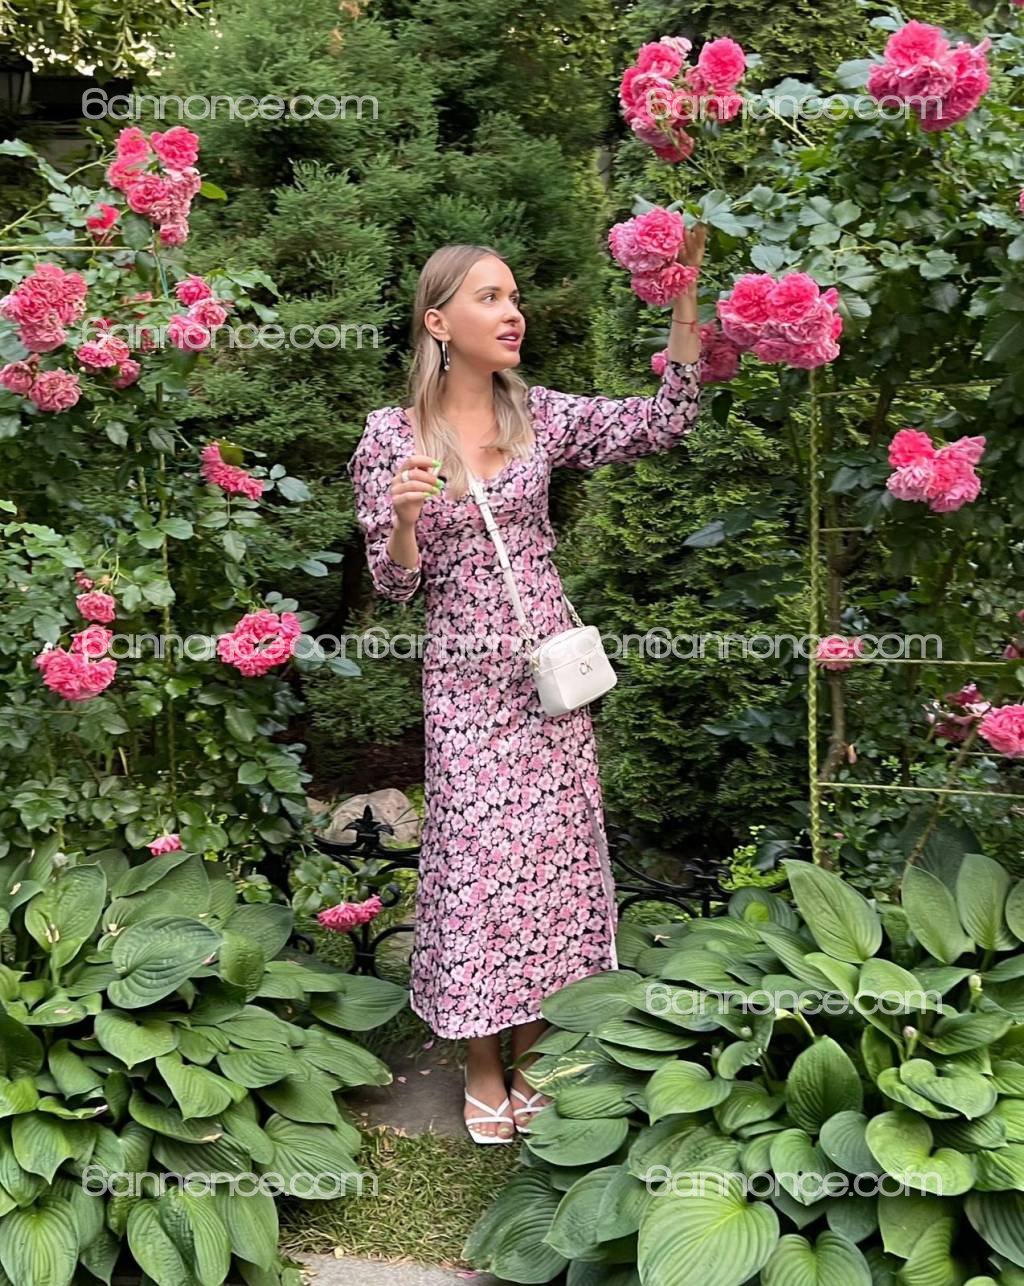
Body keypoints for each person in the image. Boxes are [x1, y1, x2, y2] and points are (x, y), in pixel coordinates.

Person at [346, 236, 706, 1142]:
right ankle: (480, 1056)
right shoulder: (390, 438)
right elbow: (394, 585)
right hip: (465, 682)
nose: (513, 313)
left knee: (551, 863)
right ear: (438, 323)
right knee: (477, 866)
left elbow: (660, 424)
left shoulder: (537, 413)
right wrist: (404, 518)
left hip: (548, 679)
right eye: (490, 298)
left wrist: (684, 311)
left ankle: (539, 1048)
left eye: (514, 296)